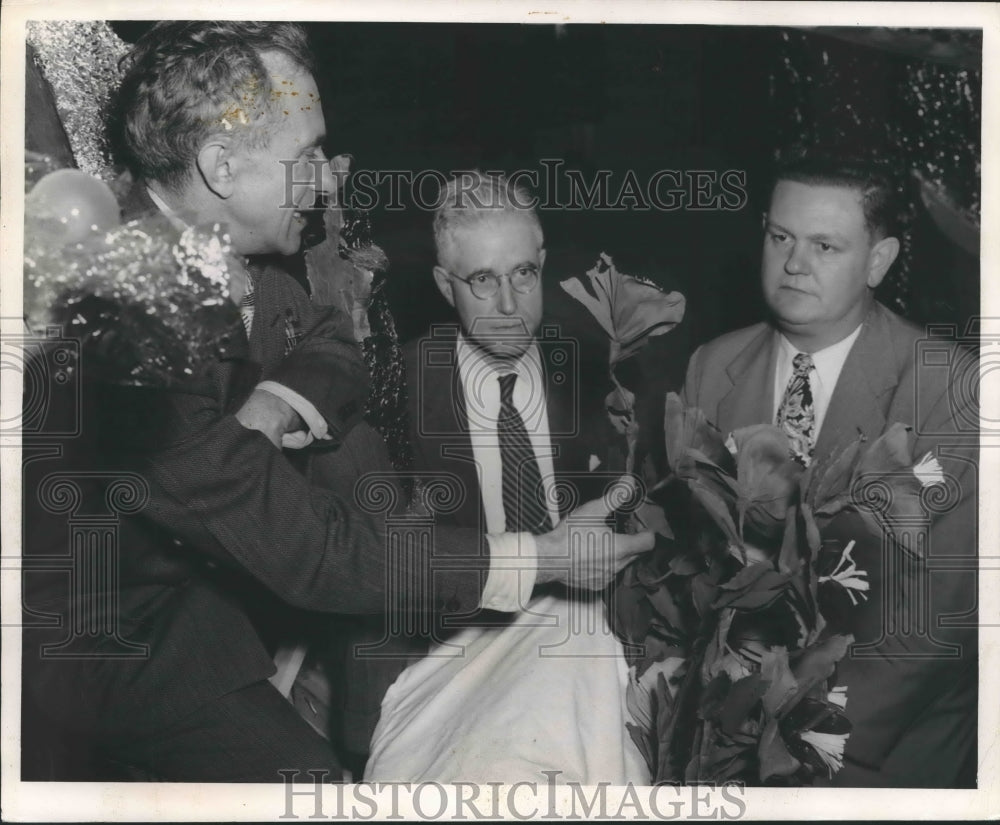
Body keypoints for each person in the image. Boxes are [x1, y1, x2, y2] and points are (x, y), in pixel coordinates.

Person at [21, 24, 651, 782]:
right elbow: (315, 551)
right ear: (223, 167)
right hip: (123, 640)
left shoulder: (238, 262)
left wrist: (273, 405)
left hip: (226, 597)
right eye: (307, 155)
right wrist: (544, 555)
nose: (326, 180)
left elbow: (326, 336)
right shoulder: (131, 328)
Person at [681, 153, 977, 787]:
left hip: (882, 741)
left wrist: (798, 735)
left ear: (878, 261)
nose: (793, 263)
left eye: (824, 245)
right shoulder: (712, 366)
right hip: (732, 724)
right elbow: (700, 568)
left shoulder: (948, 388)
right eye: (780, 236)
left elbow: (941, 620)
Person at [361, 172, 652, 783]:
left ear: (542, 264)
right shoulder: (398, 388)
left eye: (523, 274)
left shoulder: (597, 371)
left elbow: (644, 508)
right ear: (446, 285)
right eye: (483, 281)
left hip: (583, 639)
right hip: (448, 647)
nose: (509, 305)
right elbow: (377, 559)